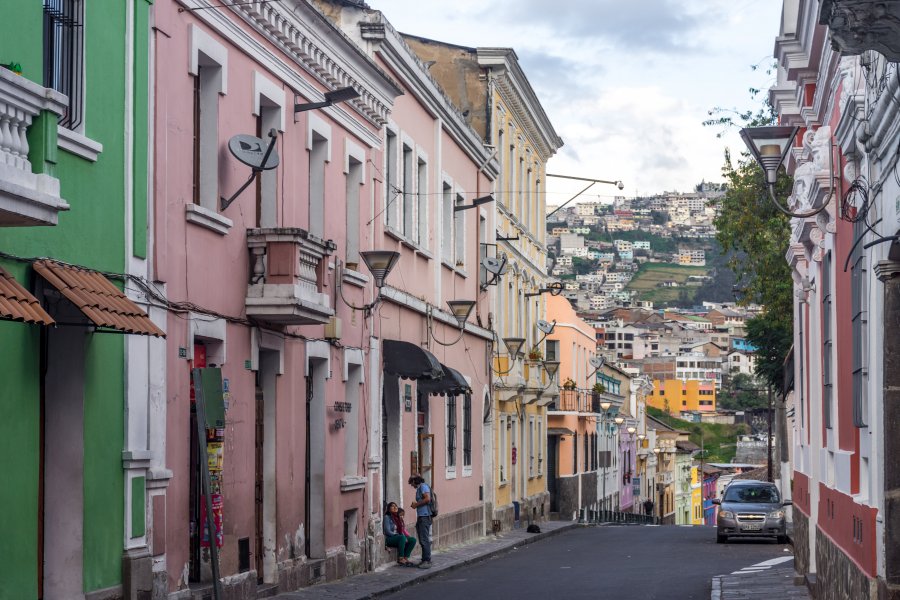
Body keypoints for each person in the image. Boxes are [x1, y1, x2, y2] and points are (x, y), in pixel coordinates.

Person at [408, 474, 432, 569]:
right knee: (423, 539)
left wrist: (416, 504)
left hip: (424, 516)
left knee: (424, 539)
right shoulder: (420, 488)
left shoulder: (423, 487)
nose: (412, 486)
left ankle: (427, 560)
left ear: (415, 481)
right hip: (422, 516)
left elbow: (427, 499)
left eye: (412, 483)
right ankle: (424, 559)